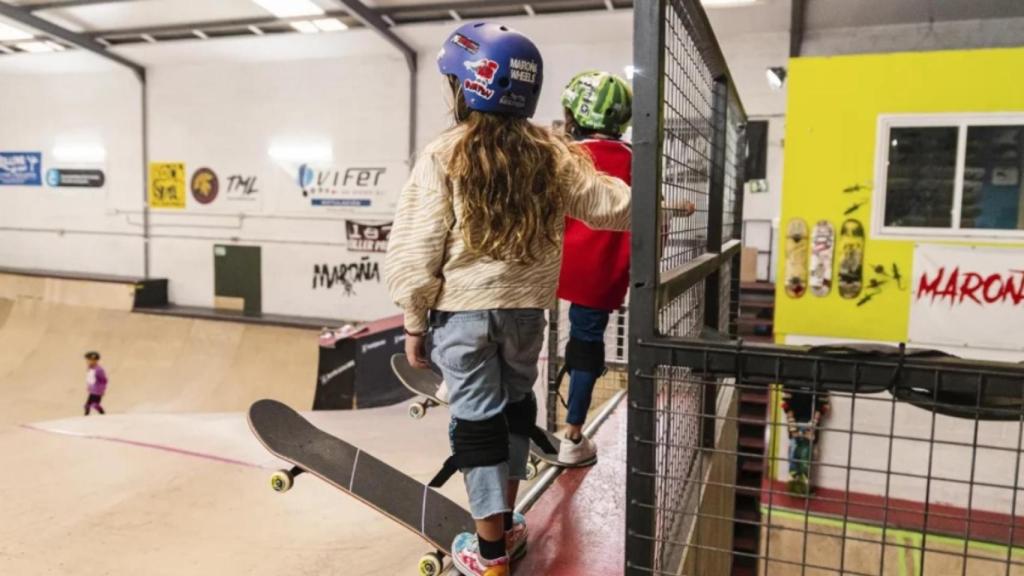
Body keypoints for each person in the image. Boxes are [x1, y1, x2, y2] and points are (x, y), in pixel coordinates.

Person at [385, 22, 631, 576]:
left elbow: (417, 245)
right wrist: (660, 205)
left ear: (469, 86)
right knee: (516, 408)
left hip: (462, 315)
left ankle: (490, 551)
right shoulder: (552, 153)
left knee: (476, 421)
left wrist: (414, 320)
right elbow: (607, 204)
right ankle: (510, 520)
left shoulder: (445, 154)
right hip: (526, 314)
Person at [555, 71, 696, 465]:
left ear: (575, 113)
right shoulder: (638, 159)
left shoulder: (564, 156)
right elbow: (657, 221)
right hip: (604, 277)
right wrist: (639, 269)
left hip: (553, 267)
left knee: (522, 328)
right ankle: (572, 434)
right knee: (587, 347)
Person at [83, 351, 108, 416]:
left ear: (95, 361)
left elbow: (104, 380)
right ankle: (85, 417)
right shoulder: (90, 369)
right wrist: (89, 387)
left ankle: (103, 414)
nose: (87, 362)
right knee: (87, 406)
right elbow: (90, 379)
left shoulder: (99, 370)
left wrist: (102, 389)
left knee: (95, 405)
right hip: (92, 391)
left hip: (97, 391)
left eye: (89, 360)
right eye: (87, 360)